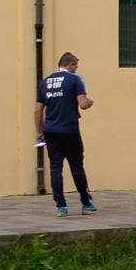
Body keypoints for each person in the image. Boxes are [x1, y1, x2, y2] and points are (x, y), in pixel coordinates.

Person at [37, 52, 95, 216]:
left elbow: (37, 110)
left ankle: (61, 207)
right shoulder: (75, 80)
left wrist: (39, 132)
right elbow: (82, 104)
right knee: (76, 167)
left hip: (50, 130)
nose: (76, 69)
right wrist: (90, 102)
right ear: (70, 64)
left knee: (55, 168)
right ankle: (86, 204)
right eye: (75, 66)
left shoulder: (45, 82)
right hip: (69, 130)